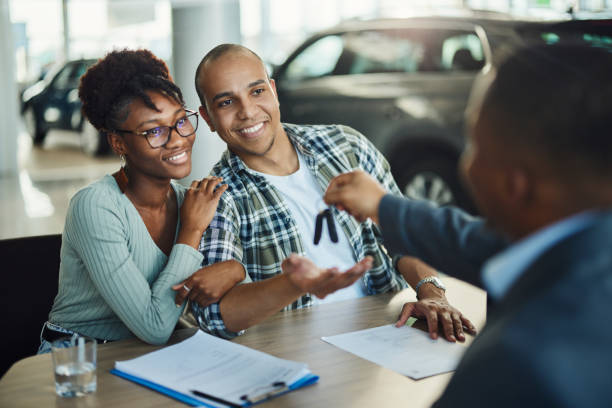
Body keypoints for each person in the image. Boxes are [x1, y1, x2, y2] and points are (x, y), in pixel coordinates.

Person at [325, 44, 612, 406]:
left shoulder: (517, 365)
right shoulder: (585, 246)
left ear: (514, 185)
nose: (467, 163)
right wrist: (384, 207)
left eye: (474, 144)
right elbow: (475, 242)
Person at [187, 43, 476, 341]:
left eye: (257, 91)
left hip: (389, 328)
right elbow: (216, 317)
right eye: (225, 103)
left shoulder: (346, 145)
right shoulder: (217, 197)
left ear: (273, 91)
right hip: (303, 351)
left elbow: (405, 236)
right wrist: (296, 283)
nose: (247, 111)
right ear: (207, 118)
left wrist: (432, 293)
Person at [38, 49, 241, 351]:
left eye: (181, 121)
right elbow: (154, 325)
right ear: (119, 142)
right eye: (154, 131)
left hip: (150, 357)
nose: (176, 139)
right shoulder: (95, 206)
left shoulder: (192, 200)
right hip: (78, 361)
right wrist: (191, 231)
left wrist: (237, 270)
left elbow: (230, 305)